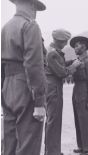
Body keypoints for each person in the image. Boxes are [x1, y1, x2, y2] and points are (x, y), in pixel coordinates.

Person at [1, 0, 47, 155]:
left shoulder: (5, 27)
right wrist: (39, 102)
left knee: (9, 143)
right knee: (29, 142)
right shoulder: (30, 25)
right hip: (26, 86)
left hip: (8, 86)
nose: (36, 13)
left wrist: (3, 92)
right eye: (35, 8)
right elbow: (34, 64)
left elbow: (2, 64)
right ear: (32, 6)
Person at [44, 29, 81, 155]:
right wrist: (74, 66)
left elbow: (60, 65)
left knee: (51, 120)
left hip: (51, 88)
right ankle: (52, 152)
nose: (66, 44)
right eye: (64, 42)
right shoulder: (52, 54)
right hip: (54, 88)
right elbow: (62, 73)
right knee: (54, 121)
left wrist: (70, 62)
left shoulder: (52, 51)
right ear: (59, 41)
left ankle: (51, 150)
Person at [70, 36, 88, 155]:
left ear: (84, 47)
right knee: (78, 120)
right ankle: (81, 146)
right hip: (76, 91)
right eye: (74, 46)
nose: (75, 48)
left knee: (86, 120)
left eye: (77, 46)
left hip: (85, 92)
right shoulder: (77, 62)